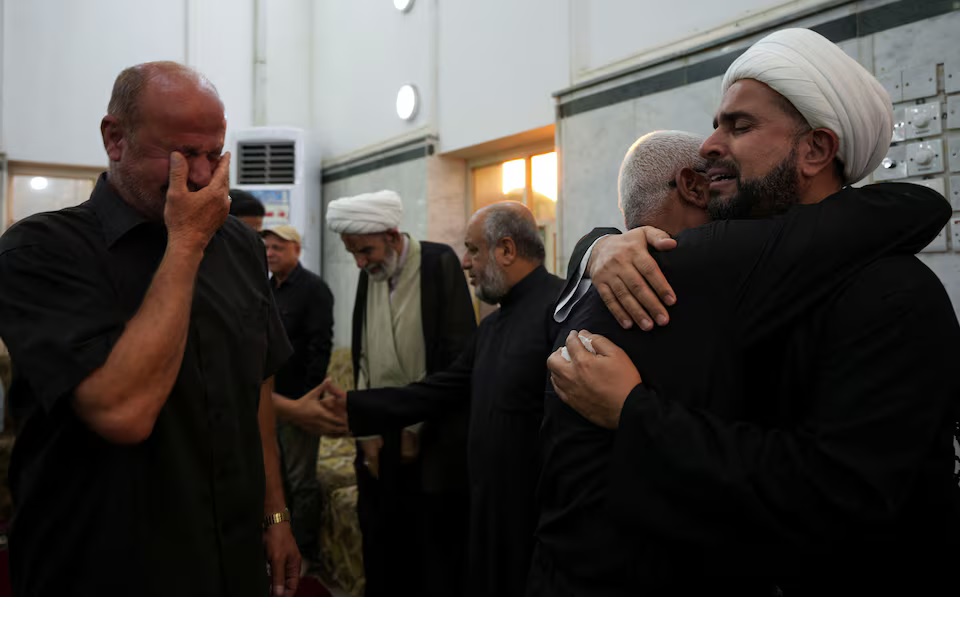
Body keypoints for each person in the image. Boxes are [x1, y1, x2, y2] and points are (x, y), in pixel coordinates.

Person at [536, 28, 960, 595]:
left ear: (815, 150)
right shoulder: (731, 269)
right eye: (717, 123)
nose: (709, 144)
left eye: (739, 126)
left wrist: (635, 412)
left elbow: (838, 494)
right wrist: (599, 246)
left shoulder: (893, 295)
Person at [0, 61, 300, 595]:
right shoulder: (40, 250)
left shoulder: (241, 247)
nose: (204, 177)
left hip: (230, 554)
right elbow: (124, 412)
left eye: (214, 154)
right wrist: (185, 243)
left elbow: (254, 385)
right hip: (106, 561)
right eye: (184, 155)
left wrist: (275, 514)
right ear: (115, 139)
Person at [317, 202, 564, 595]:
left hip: (534, 514)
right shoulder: (492, 326)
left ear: (506, 250)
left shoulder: (562, 311)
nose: (466, 262)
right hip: (486, 507)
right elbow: (437, 391)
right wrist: (352, 405)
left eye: (473, 250)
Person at [326, 190, 476, 595]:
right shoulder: (370, 273)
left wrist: (414, 427)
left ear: (393, 236)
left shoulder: (437, 262)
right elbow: (362, 355)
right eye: (352, 252)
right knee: (380, 543)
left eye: (365, 250)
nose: (359, 262)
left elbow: (455, 357)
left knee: (428, 554)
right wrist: (367, 433)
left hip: (431, 434)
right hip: (376, 427)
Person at [258, 224, 335, 566]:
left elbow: (320, 347)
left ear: (297, 250)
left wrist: (307, 401)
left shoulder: (314, 289)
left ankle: (305, 552)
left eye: (279, 247)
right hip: (269, 402)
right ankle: (279, 540)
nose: (271, 253)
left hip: (299, 401)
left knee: (301, 480)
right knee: (274, 474)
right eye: (268, 247)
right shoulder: (268, 288)